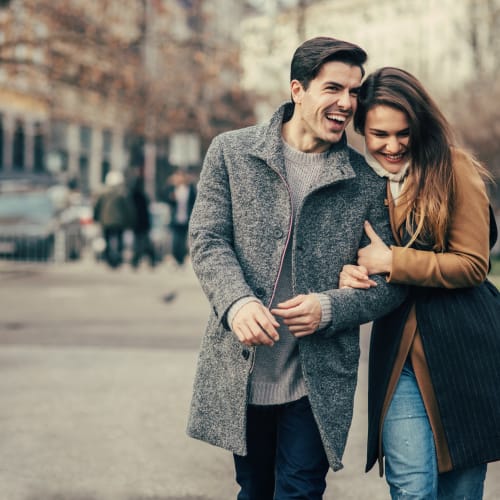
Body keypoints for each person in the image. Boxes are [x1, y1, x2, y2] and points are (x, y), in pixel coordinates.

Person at [186, 37, 407, 499]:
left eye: (354, 92)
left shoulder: (365, 182)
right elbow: (207, 239)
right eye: (333, 88)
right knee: (254, 488)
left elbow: (389, 285)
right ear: (297, 90)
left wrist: (331, 307)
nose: (347, 103)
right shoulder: (231, 152)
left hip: (317, 378)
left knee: (301, 490)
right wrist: (237, 302)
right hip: (243, 369)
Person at [339, 67, 500, 499]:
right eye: (378, 134)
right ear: (361, 129)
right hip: (399, 355)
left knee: (460, 491)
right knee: (411, 488)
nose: (391, 146)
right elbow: (359, 255)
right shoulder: (362, 184)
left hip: (463, 348)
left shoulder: (456, 169)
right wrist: (351, 272)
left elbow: (472, 264)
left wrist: (393, 260)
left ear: (421, 124)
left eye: (402, 133)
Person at [93, 170, 134, 268]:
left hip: (106, 221)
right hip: (120, 221)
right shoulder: (123, 194)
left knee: (107, 239)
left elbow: (97, 207)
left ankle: (108, 258)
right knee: (119, 240)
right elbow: (127, 208)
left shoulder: (103, 193)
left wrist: (96, 218)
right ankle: (118, 258)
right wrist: (130, 220)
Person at [163, 169, 196, 267]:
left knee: (183, 241)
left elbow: (194, 201)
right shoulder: (173, 189)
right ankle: (177, 258)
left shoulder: (190, 189)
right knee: (175, 240)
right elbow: (164, 196)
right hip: (175, 219)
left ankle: (181, 259)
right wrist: (169, 184)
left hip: (186, 219)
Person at [129, 176, 155, 268]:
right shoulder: (142, 196)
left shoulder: (132, 197)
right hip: (143, 223)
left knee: (138, 243)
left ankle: (136, 260)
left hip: (137, 223)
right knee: (144, 243)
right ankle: (150, 259)